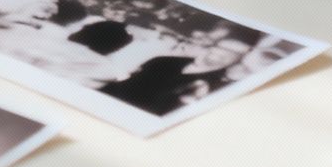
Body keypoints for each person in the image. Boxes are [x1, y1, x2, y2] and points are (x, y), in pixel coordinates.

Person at [100, 34, 260, 116]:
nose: (221, 53)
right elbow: (126, 81)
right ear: (212, 46)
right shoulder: (164, 60)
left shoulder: (217, 87)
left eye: (233, 53)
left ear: (238, 60)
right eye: (221, 47)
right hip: (105, 102)